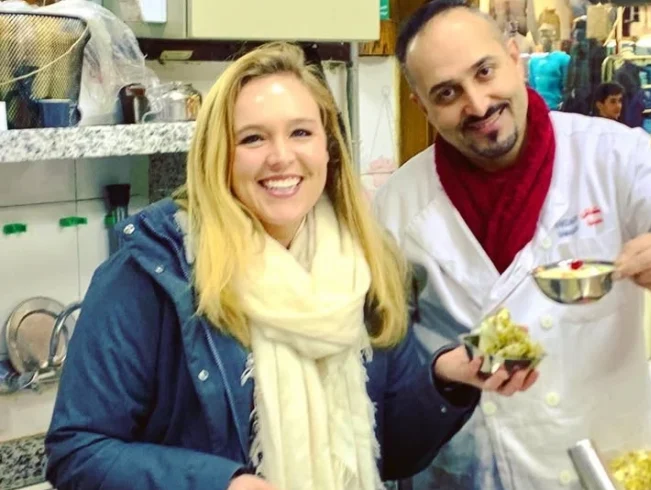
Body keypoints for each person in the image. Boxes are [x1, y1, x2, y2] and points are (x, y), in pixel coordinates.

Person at [44, 42, 537, 490]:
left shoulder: (363, 265)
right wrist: (224, 485)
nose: (282, 158)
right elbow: (78, 452)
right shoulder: (154, 272)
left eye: (300, 132)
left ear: (328, 149)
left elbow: (394, 449)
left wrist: (446, 377)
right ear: (221, 156)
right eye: (253, 138)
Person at [375, 1, 651, 489]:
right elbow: (386, 370)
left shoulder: (609, 155)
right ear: (422, 106)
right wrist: (440, 374)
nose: (476, 104)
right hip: (466, 475)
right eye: (447, 92)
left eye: (485, 71)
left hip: (604, 472)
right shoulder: (397, 206)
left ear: (515, 59)